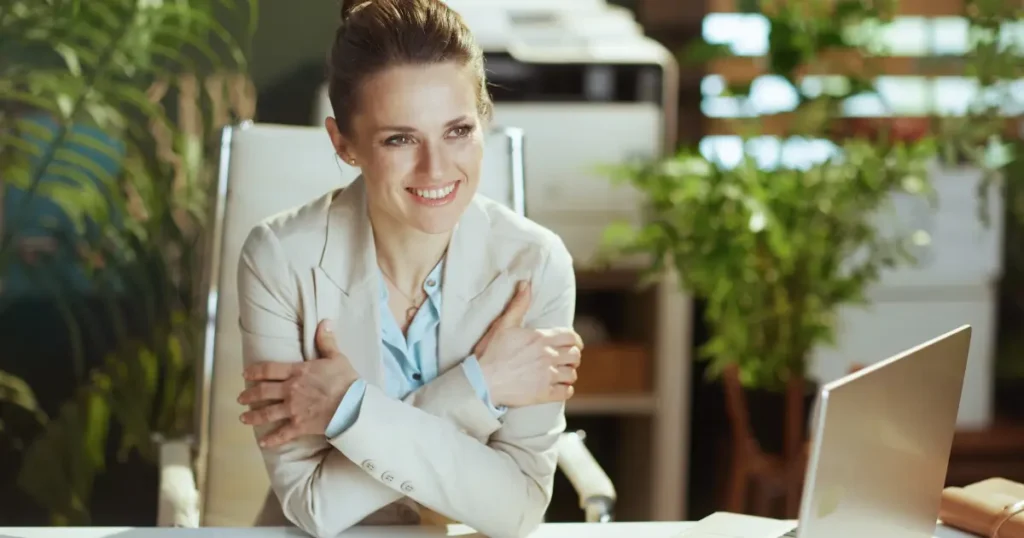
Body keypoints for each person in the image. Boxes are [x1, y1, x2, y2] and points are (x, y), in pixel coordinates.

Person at [233, 1, 584, 537]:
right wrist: (480, 385)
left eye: (458, 131)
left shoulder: (535, 265)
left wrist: (348, 411)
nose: (437, 168)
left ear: (483, 117)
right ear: (343, 144)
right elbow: (314, 506)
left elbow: (518, 508)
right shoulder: (280, 259)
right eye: (400, 139)